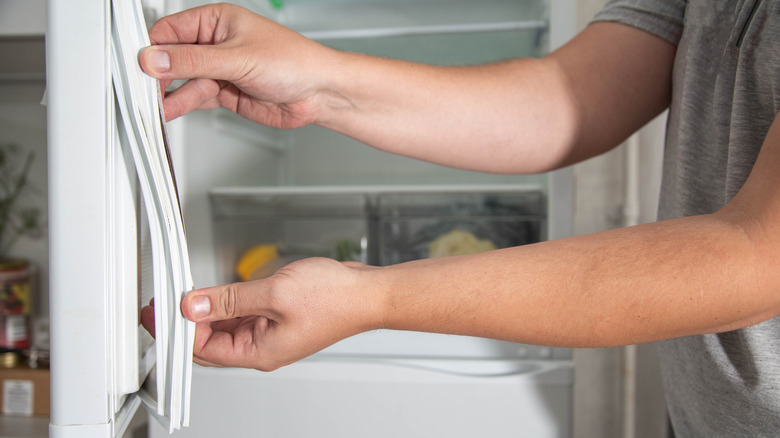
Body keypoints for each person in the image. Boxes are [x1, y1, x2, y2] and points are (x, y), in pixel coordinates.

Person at [138, 0, 780, 436]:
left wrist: (369, 296)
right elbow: (570, 98)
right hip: (699, 415)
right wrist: (320, 84)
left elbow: (755, 259)